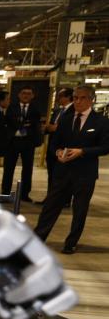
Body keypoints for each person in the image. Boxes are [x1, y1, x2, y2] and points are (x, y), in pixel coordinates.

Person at [34, 85, 109, 254]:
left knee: (80, 209)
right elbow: (55, 143)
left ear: (91, 100)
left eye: (82, 98)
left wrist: (83, 152)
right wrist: (58, 152)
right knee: (50, 207)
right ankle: (38, 238)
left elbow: (105, 147)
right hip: (63, 171)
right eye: (75, 97)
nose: (78, 101)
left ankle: (71, 242)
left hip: (85, 173)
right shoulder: (66, 119)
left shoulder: (101, 122)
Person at [2, 85, 42, 201]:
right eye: (24, 93)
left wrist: (24, 130)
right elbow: (9, 122)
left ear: (32, 96)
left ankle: (24, 194)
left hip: (28, 143)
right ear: (19, 95)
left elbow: (35, 124)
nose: (26, 96)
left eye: (29, 93)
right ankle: (5, 192)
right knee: (8, 168)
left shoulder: (36, 109)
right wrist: (19, 129)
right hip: (12, 142)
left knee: (27, 169)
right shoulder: (11, 107)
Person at [40, 87, 73, 204]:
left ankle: (65, 200)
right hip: (53, 147)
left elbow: (71, 128)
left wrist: (57, 128)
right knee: (52, 174)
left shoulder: (74, 111)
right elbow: (53, 126)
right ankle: (50, 197)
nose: (58, 99)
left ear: (68, 97)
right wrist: (48, 128)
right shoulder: (59, 111)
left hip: (65, 147)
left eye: (60, 96)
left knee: (64, 175)